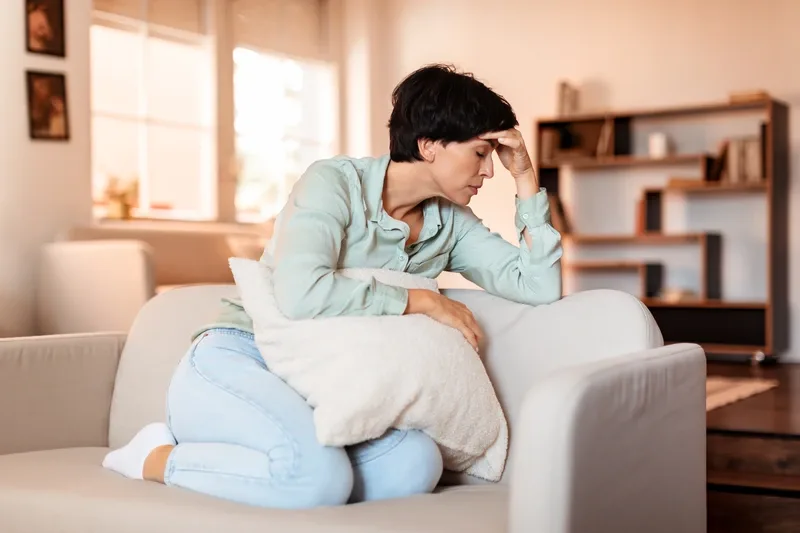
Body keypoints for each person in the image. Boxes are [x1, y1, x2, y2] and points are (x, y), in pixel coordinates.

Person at [102, 64, 563, 509]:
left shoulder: (451, 225)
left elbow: (539, 286)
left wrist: (525, 177)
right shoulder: (335, 184)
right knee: (317, 478)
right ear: (428, 145)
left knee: (416, 462)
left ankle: (287, 467)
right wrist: (417, 300)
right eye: (481, 154)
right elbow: (302, 294)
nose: (489, 171)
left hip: (327, 391)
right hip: (244, 357)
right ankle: (156, 456)